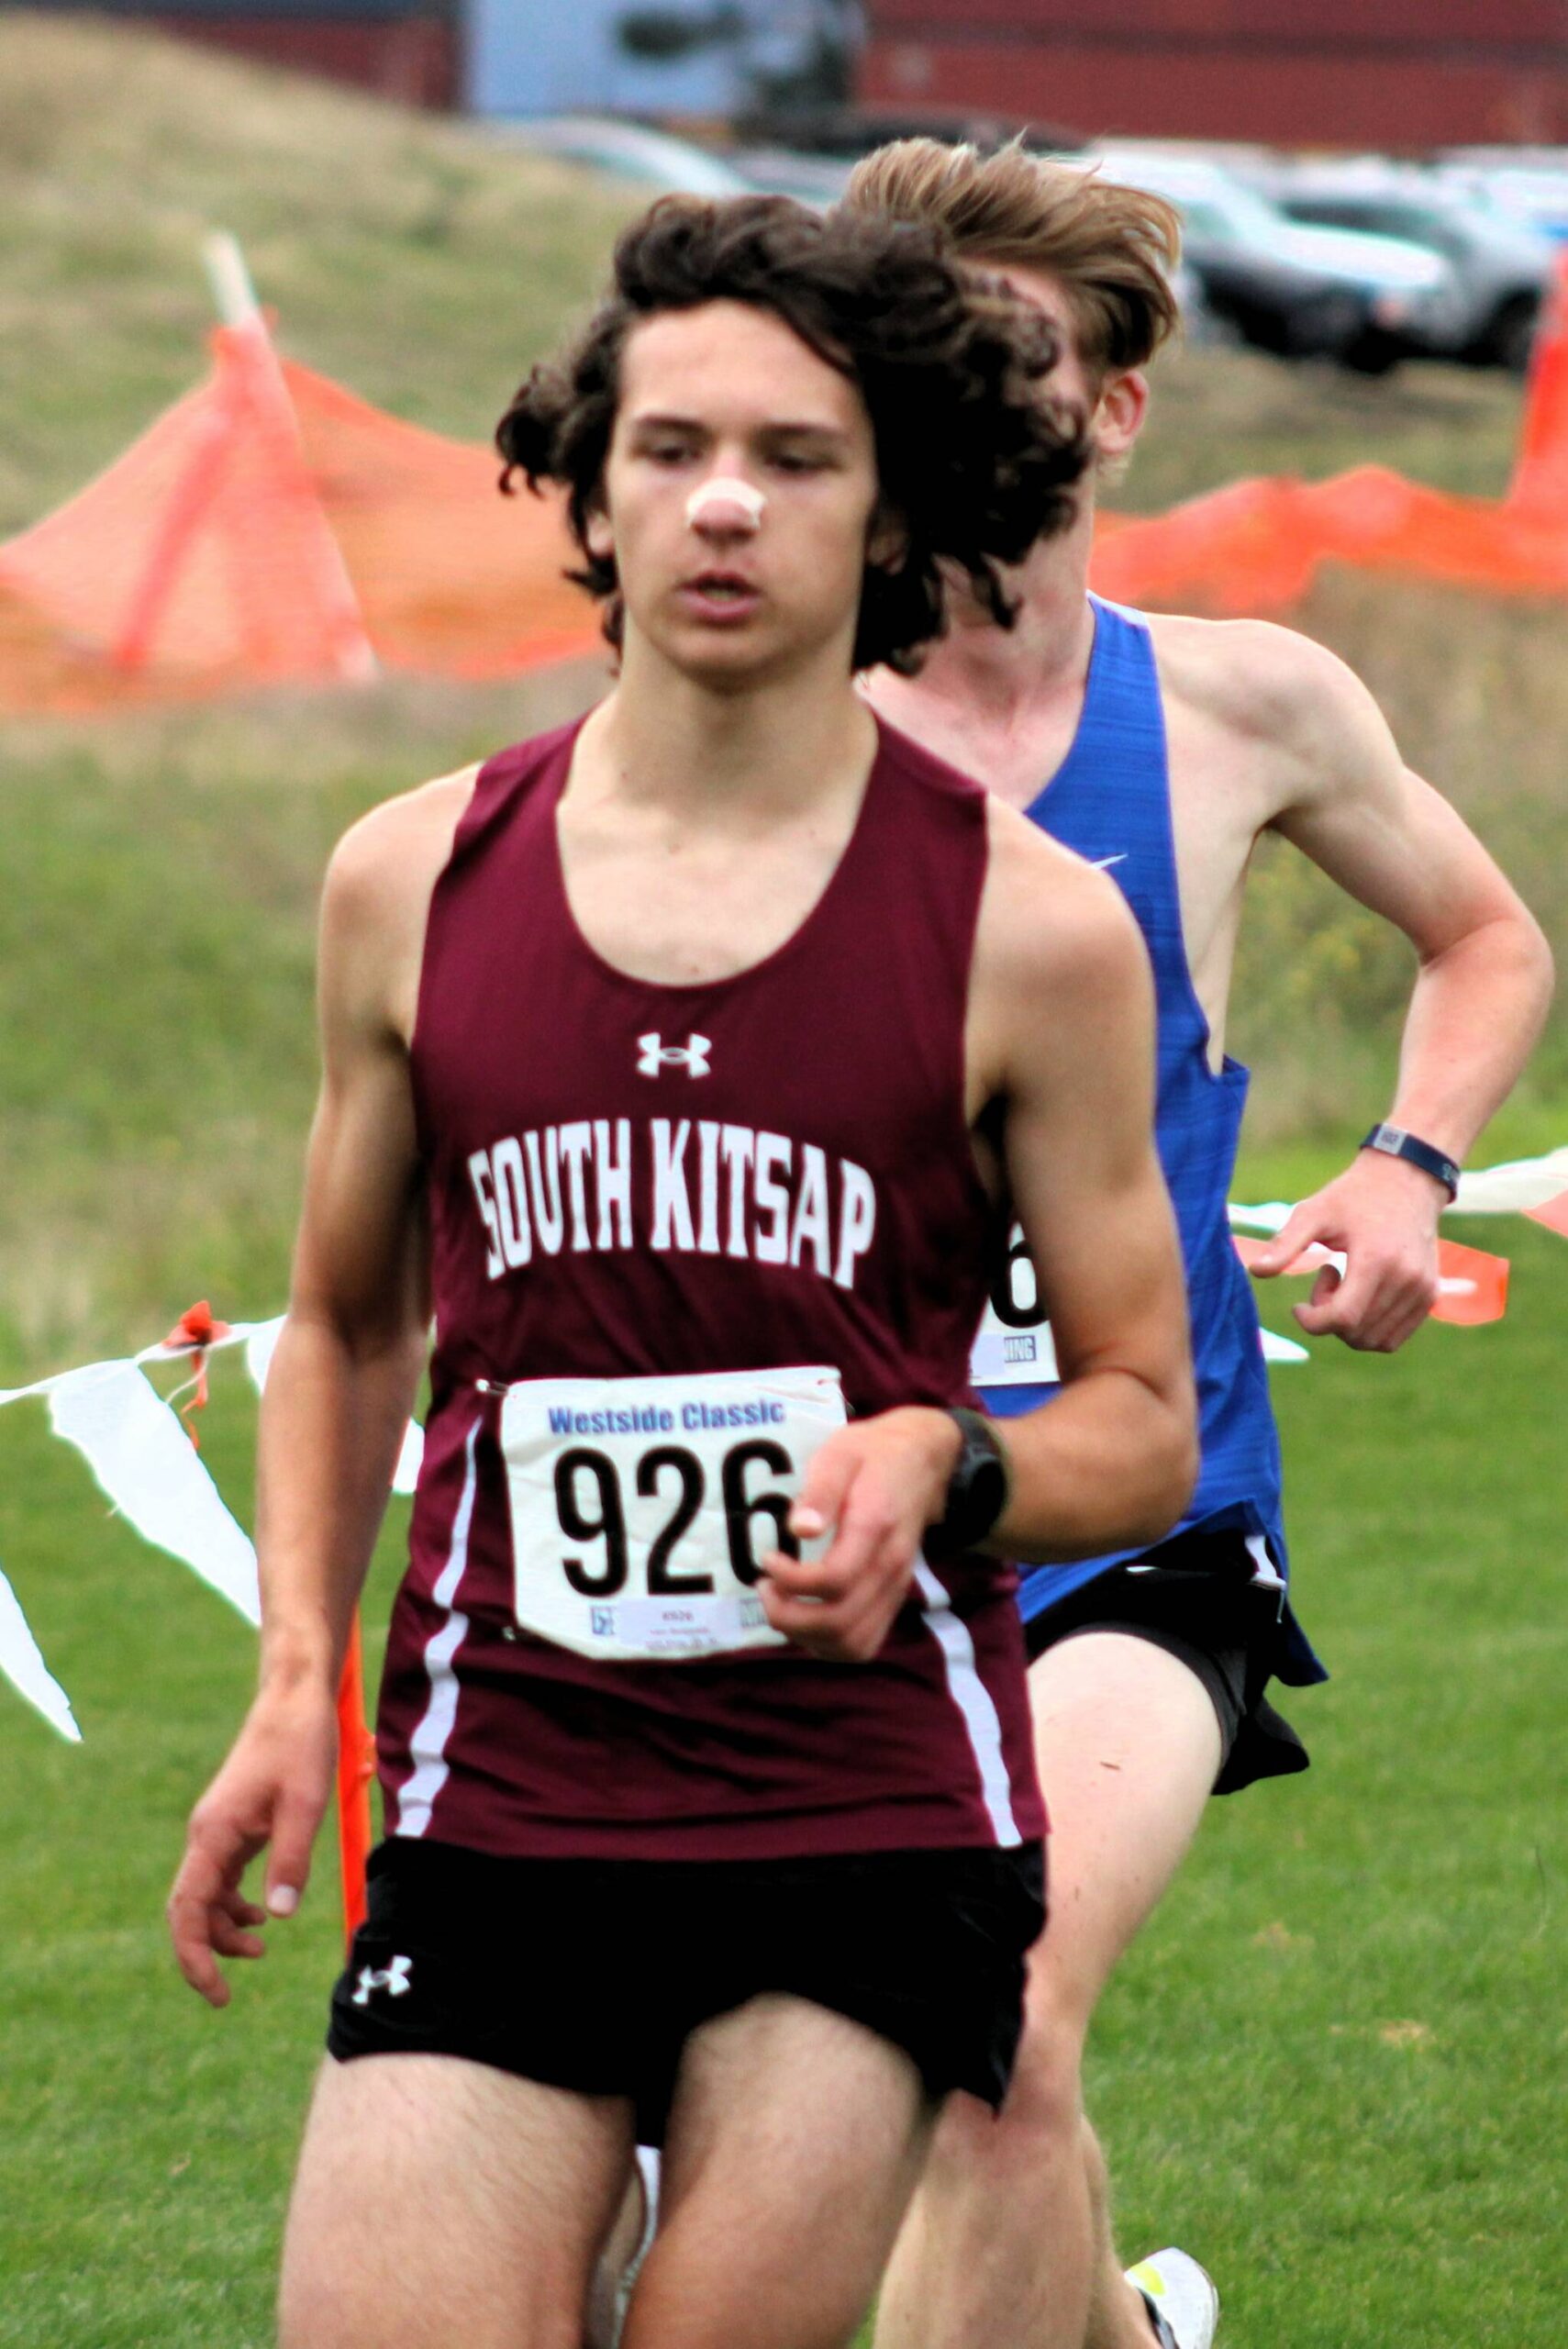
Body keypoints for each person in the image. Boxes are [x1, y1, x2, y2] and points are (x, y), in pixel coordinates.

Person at [166, 193, 1199, 2349]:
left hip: (861, 1794)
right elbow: (353, 1322)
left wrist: (942, 1457)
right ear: (592, 482)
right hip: (506, 1767)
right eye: (669, 447)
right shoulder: (412, 881)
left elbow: (1143, 1418)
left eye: (797, 457)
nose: (725, 501)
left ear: (893, 496)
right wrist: (292, 1674)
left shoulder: (1029, 928)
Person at [836, 139, 1555, 2349]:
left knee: (999, 2008)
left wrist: (1404, 1169)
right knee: (817, 2083)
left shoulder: (1242, 706)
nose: (966, 396)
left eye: (1013, 356)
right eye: (920, 355)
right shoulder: (766, 731)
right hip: (834, 1509)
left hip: (1146, 1511)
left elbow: (1485, 936)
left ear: (1118, 406)